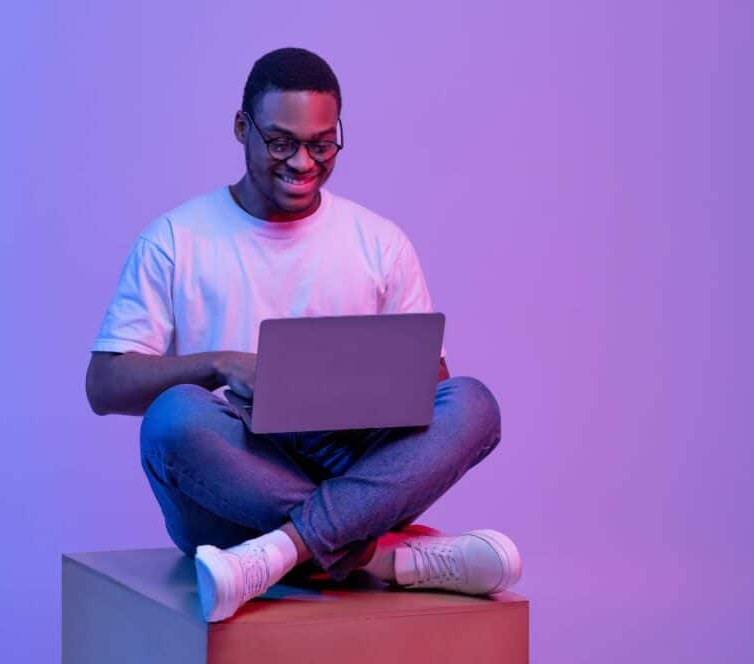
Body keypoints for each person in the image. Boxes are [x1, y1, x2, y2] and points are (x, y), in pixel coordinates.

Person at [85, 47, 522, 623]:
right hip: (236, 471)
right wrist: (219, 365)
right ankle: (379, 558)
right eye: (281, 142)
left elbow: (432, 388)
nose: (303, 162)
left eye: (322, 144)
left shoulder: (379, 241)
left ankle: (278, 553)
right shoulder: (174, 239)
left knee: (474, 403)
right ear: (242, 128)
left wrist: (364, 392)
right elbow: (105, 385)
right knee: (174, 419)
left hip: (348, 458)